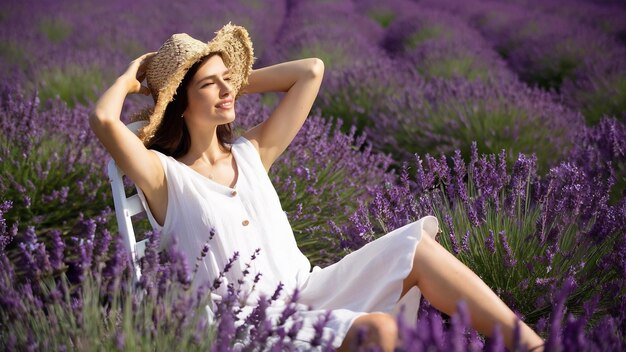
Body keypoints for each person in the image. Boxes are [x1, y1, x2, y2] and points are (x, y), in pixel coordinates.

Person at [90, 24, 544, 351]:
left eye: (228, 79)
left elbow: (310, 71)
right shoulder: (165, 178)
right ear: (181, 103)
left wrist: (227, 86)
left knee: (416, 247)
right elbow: (105, 121)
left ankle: (534, 346)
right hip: (250, 327)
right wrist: (134, 76)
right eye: (209, 85)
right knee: (379, 333)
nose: (227, 89)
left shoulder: (251, 154)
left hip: (311, 290)